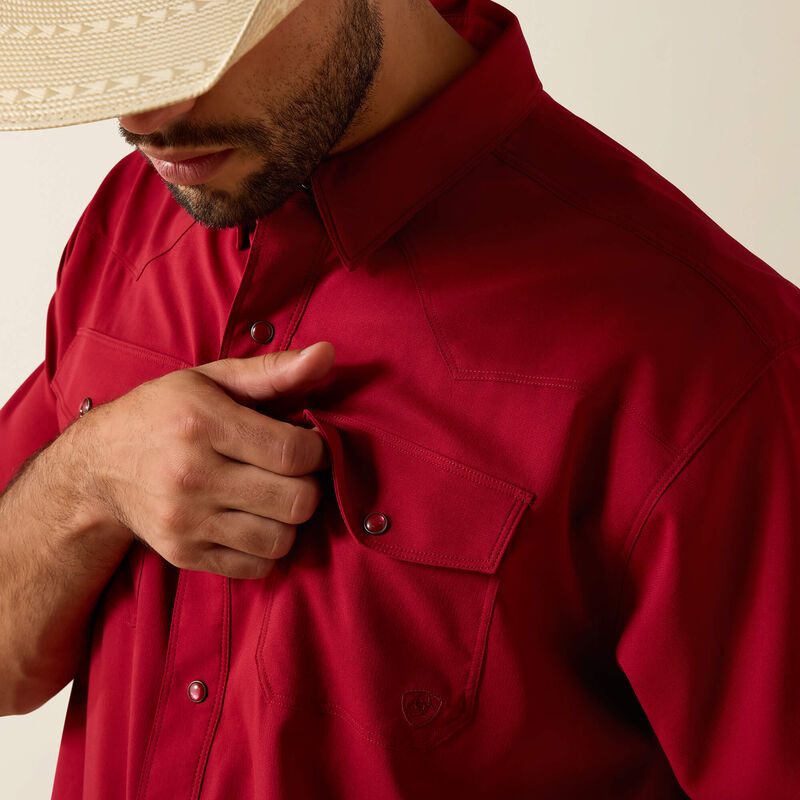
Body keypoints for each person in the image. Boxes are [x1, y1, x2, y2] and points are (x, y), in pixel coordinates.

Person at [0, 0, 798, 797]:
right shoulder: (132, 224)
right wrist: (88, 478)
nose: (144, 118)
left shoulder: (709, 362)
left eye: (200, 42)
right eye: (123, 53)